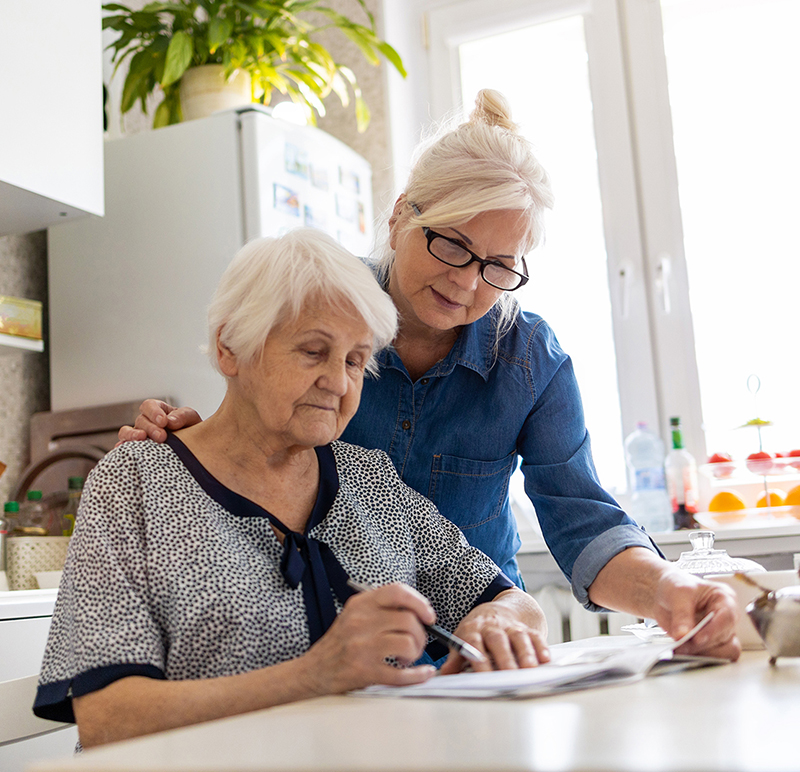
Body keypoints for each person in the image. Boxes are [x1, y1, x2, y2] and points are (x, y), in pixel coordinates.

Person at [120, 89, 740, 660]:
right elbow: (250, 440)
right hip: (333, 657)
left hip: (479, 645)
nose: (467, 282)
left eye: (499, 265)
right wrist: (185, 448)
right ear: (399, 218)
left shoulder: (528, 359)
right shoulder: (326, 312)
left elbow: (585, 521)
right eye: (451, 244)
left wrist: (670, 592)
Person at [34, 230, 549, 749]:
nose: (340, 383)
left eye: (354, 359)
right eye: (313, 351)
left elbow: (510, 598)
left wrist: (498, 624)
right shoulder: (135, 482)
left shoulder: (368, 479)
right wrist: (315, 674)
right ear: (230, 347)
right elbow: (106, 717)